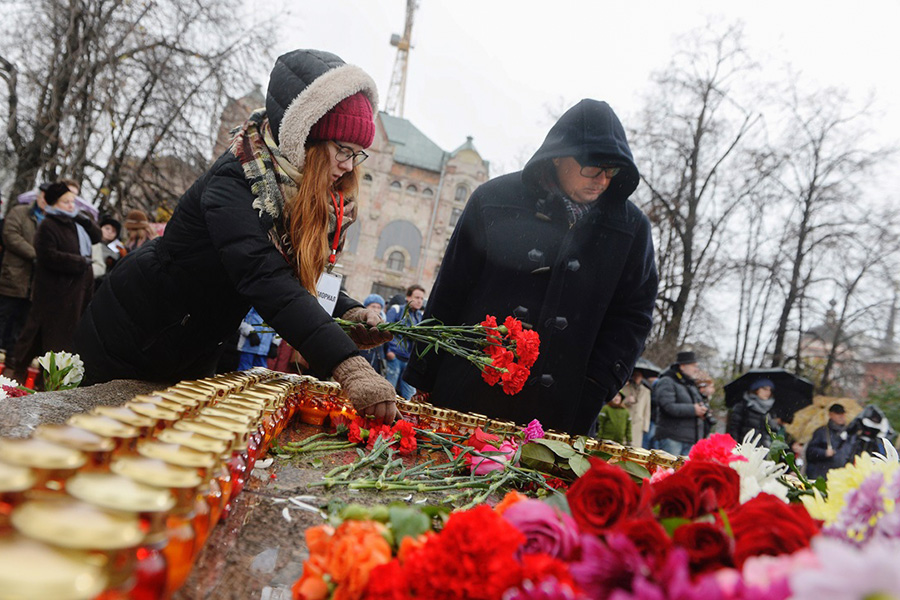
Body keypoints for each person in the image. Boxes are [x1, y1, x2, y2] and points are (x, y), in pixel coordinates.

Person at [75, 49, 399, 422]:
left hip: (194, 342)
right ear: (305, 137)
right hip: (136, 334)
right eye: (342, 149)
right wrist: (348, 363)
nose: (347, 166)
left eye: (357, 154)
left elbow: (297, 274)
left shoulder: (290, 192)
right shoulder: (237, 180)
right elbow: (265, 276)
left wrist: (349, 312)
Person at [404, 99, 658, 435]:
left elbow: (633, 317)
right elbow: (451, 289)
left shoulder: (631, 229)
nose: (603, 181)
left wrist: (596, 385)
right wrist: (423, 377)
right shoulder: (492, 200)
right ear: (558, 155)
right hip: (468, 396)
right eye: (593, 168)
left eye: (612, 172)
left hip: (564, 413)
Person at [11, 182, 100, 383]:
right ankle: (24, 374)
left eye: (72, 201)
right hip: (55, 292)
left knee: (64, 338)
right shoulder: (48, 225)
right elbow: (48, 255)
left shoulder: (77, 222)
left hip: (77, 291)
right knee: (46, 337)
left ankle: (48, 381)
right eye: (66, 202)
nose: (71, 205)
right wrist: (79, 262)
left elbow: (97, 237)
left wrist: (85, 221)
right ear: (54, 203)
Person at [0, 183, 47, 356]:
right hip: (13, 275)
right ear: (38, 196)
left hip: (35, 283)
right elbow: (10, 236)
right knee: (3, 315)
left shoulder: (51, 221)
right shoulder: (19, 212)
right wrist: (36, 254)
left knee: (23, 322)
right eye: (44, 196)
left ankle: (12, 358)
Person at [653, 351, 708, 456]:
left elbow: (697, 405)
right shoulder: (667, 381)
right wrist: (693, 410)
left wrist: (703, 410)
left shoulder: (690, 384)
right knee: (668, 471)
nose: (696, 369)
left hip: (691, 439)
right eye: (693, 366)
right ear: (682, 366)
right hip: (672, 438)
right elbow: (668, 406)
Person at [385, 284, 425, 399]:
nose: (419, 301)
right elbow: (387, 331)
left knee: (409, 396)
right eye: (417, 297)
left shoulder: (420, 316)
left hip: (409, 360)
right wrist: (390, 350)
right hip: (395, 357)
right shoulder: (397, 310)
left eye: (421, 298)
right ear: (408, 297)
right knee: (389, 393)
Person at [806, 403, 853, 480]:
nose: (841, 416)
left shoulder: (849, 433)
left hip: (842, 477)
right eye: (838, 413)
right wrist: (824, 453)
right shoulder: (821, 432)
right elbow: (810, 452)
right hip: (823, 476)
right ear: (830, 414)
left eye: (843, 413)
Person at [726, 378, 778, 447]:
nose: (768, 392)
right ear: (756, 389)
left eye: (770, 390)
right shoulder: (743, 406)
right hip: (744, 448)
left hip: (762, 450)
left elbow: (772, 431)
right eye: (765, 389)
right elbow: (734, 428)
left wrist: (772, 423)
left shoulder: (770, 409)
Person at [91, 215, 126, 286]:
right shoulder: (90, 242)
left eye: (113, 231)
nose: (109, 232)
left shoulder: (117, 251)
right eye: (107, 228)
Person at [622, 368, 651, 448]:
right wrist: (626, 401)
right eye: (635, 375)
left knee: (635, 447)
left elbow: (647, 409)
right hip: (625, 420)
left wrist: (646, 426)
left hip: (638, 423)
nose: (636, 377)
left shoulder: (646, 391)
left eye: (638, 375)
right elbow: (617, 403)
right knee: (623, 444)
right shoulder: (625, 388)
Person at [358, 293, 387, 374]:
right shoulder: (359, 322)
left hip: (376, 362)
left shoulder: (385, 324)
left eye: (378, 307)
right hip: (362, 359)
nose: (376, 309)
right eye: (373, 306)